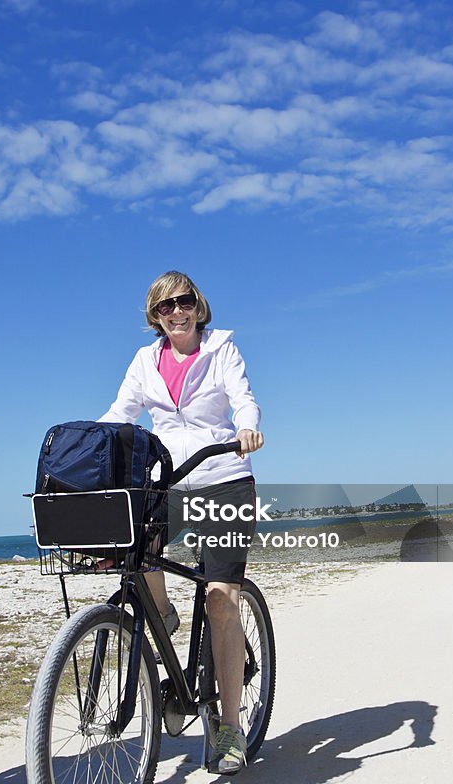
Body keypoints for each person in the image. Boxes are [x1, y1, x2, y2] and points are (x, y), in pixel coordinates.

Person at [99, 270, 263, 775]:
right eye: (165, 306)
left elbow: (243, 397)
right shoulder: (145, 360)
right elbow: (121, 412)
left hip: (222, 475)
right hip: (168, 477)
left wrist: (248, 427)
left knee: (220, 600)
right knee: (133, 550)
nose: (176, 311)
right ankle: (164, 614)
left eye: (184, 301)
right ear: (154, 315)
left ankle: (229, 729)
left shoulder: (221, 349)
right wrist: (88, 442)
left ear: (197, 304)